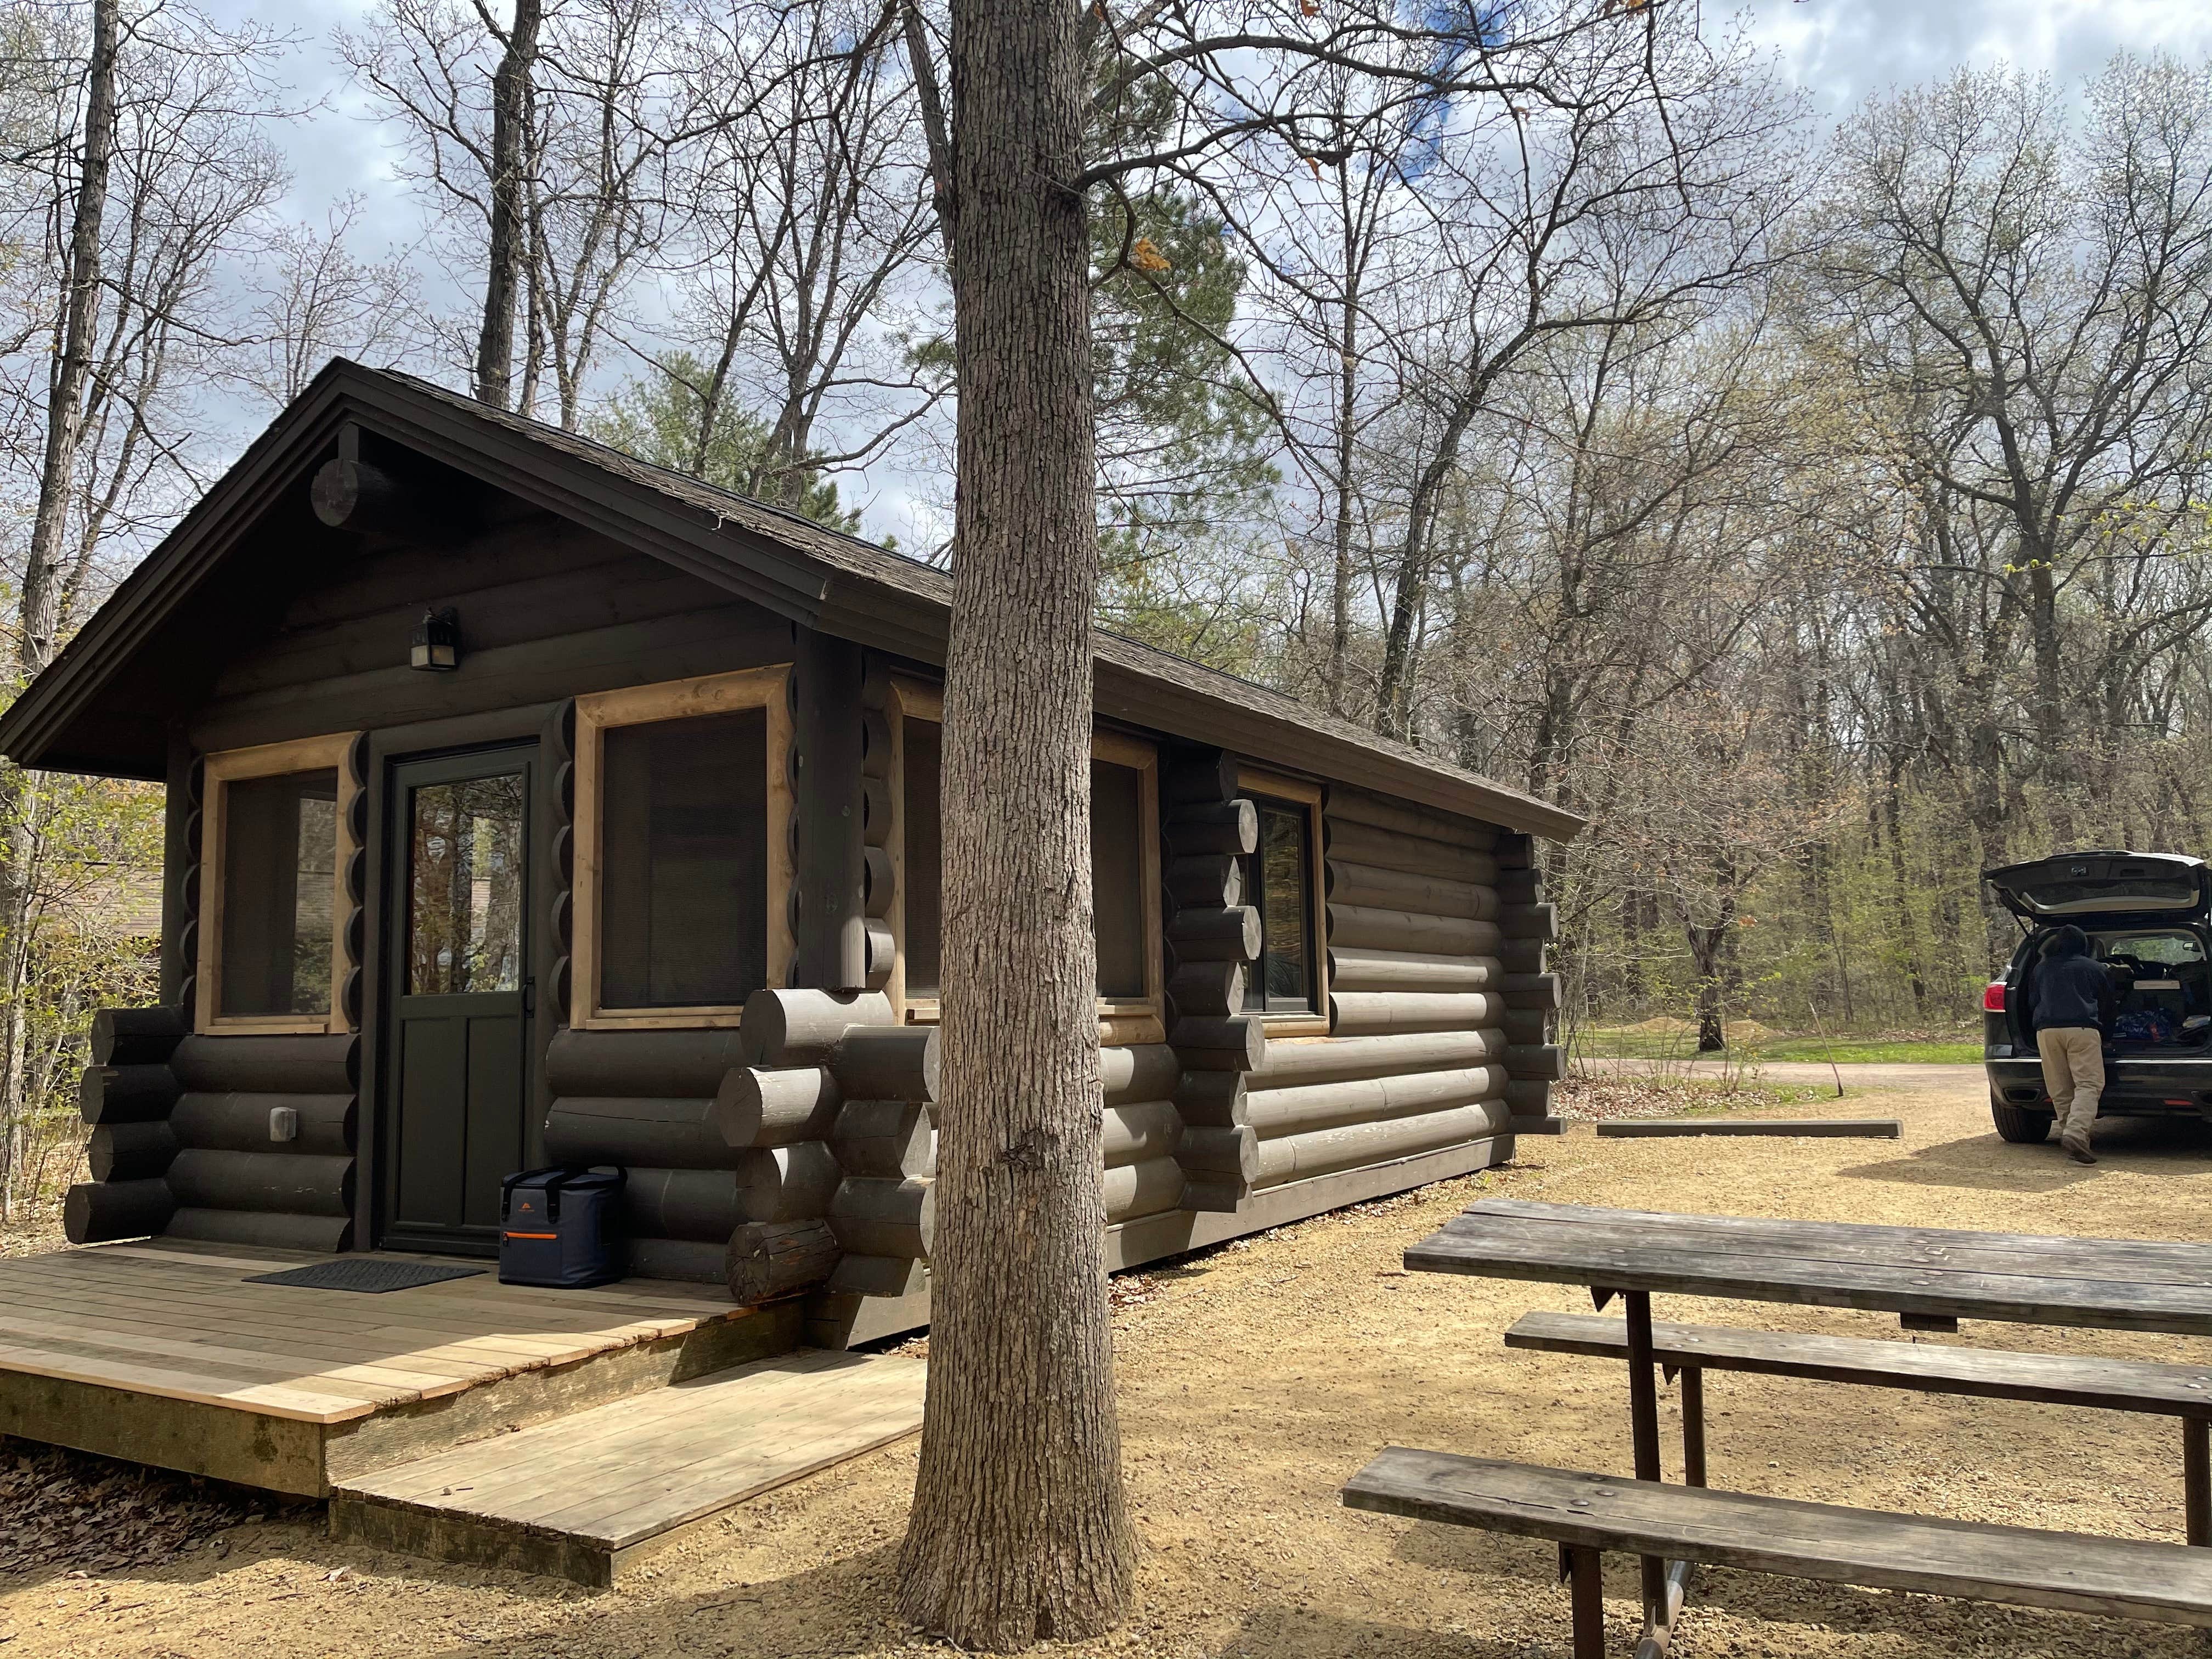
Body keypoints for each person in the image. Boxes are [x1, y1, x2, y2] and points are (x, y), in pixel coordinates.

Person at [2031, 926, 2127, 1164]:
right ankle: (2076, 1133)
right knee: (2089, 1084)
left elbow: (2032, 1001)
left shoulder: (2041, 969)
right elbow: (2108, 1006)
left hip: (2047, 1031)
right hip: (2082, 1030)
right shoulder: (2095, 968)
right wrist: (2108, 1036)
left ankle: (2074, 1137)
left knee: (2060, 1088)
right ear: (2084, 946)